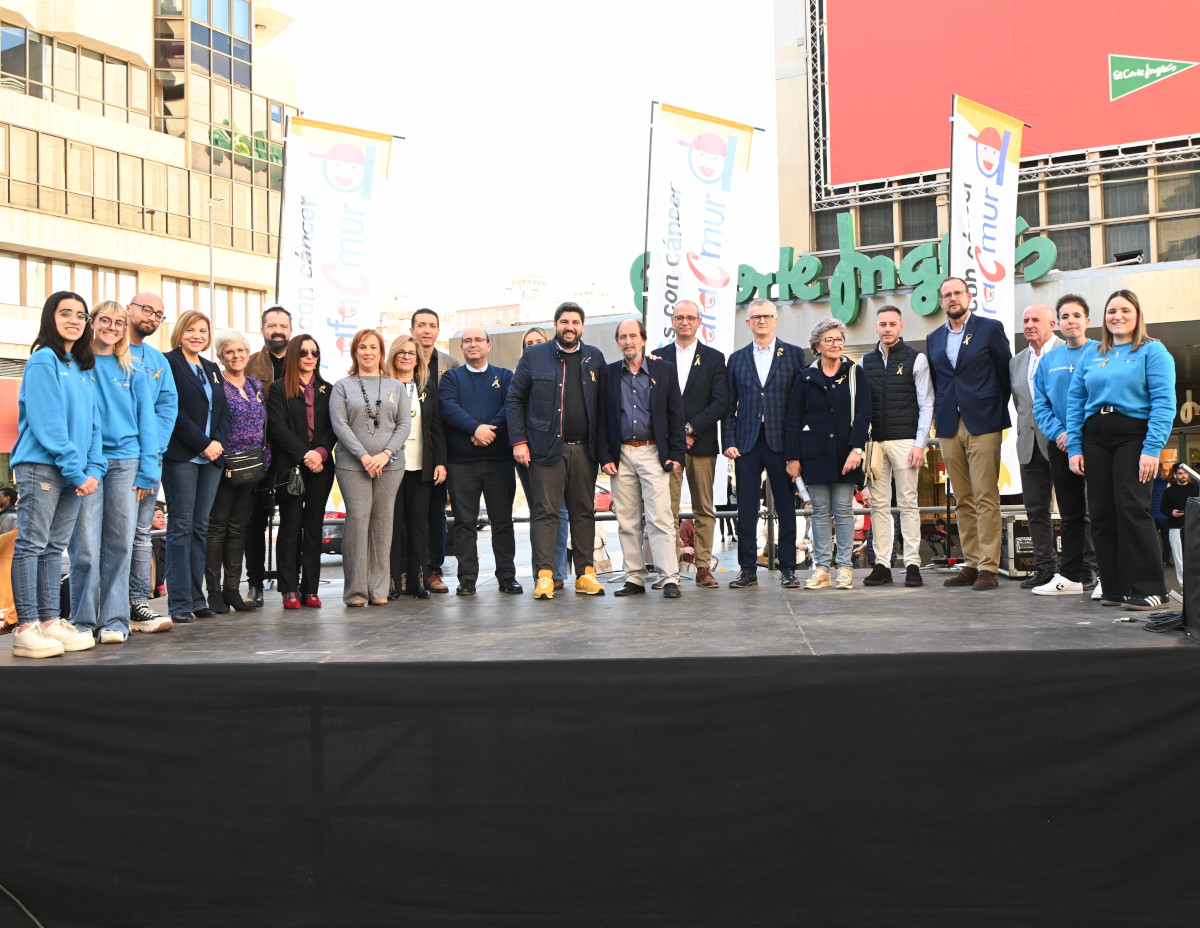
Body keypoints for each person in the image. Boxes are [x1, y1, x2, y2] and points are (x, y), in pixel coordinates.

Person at [9, 292, 104, 658]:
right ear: (51, 317)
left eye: (81, 315)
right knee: (32, 545)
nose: (74, 320)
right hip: (42, 467)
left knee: (53, 548)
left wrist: (93, 469)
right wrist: (77, 471)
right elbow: (47, 423)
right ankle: (26, 627)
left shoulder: (82, 368)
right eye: (66, 313)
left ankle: (49, 621)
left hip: (74, 473)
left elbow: (94, 426)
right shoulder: (43, 360)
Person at [1068, 289, 1176, 610]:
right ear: (1104, 318)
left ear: (1137, 315)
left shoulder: (1153, 351)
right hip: (1095, 436)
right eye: (1112, 311)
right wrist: (1075, 446)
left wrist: (1152, 448)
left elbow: (1164, 402)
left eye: (1125, 310)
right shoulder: (1092, 353)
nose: (1118, 316)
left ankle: (1151, 589)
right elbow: (1075, 401)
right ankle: (1114, 588)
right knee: (1101, 513)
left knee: (1132, 509)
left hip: (1134, 436)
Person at [68, 301, 158, 644]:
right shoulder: (76, 364)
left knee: (120, 544)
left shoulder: (132, 368)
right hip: (86, 464)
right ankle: (82, 621)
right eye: (105, 320)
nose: (112, 327)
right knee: (85, 546)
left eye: (119, 322)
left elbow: (147, 421)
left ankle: (115, 621)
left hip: (126, 463)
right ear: (92, 322)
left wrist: (148, 470)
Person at [507, 302, 608, 599]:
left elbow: (605, 402)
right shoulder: (534, 356)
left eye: (575, 322)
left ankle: (585, 575)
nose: (570, 327)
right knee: (545, 513)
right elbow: (514, 400)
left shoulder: (595, 357)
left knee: (583, 513)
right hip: (545, 449)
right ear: (555, 325)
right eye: (564, 322)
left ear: (582, 327)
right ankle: (545, 577)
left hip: (585, 451)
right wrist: (519, 441)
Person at [925, 277, 1012, 591]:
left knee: (986, 496)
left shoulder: (990, 328)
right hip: (949, 425)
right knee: (962, 498)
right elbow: (938, 381)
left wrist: (991, 407)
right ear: (941, 301)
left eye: (957, 293)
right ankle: (972, 563)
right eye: (947, 295)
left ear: (969, 296)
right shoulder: (933, 338)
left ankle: (989, 566)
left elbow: (1005, 373)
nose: (952, 298)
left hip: (983, 422)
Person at [598, 318, 687, 598]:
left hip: (653, 452)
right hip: (621, 454)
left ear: (643, 339)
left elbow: (676, 414)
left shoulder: (664, 370)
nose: (628, 341)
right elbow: (601, 419)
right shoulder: (608, 373)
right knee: (627, 521)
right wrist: (604, 456)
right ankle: (634, 578)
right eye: (623, 337)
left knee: (661, 517)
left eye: (633, 336)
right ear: (618, 342)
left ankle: (669, 578)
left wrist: (677, 453)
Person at [723, 298, 807, 590]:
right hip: (746, 444)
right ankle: (747, 570)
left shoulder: (794, 355)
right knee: (746, 509)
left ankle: (788, 569)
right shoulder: (736, 359)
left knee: (786, 508)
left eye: (767, 316)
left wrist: (797, 451)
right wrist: (728, 441)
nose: (761, 321)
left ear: (776, 320)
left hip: (782, 443)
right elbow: (729, 405)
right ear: (748, 322)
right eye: (756, 317)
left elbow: (800, 405)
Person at [786, 319, 871, 590]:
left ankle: (845, 568)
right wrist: (793, 457)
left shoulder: (855, 372)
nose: (836, 344)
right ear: (817, 346)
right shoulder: (805, 376)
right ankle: (822, 569)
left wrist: (857, 449)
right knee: (820, 511)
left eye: (839, 339)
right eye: (829, 340)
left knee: (844, 511)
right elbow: (794, 418)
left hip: (847, 454)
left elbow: (864, 413)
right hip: (814, 454)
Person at [439, 328, 521, 596]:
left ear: (489, 345)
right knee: (464, 523)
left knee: (502, 522)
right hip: (462, 464)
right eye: (467, 341)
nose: (473, 345)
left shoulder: (505, 376)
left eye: (478, 340)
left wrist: (487, 431)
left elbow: (511, 406)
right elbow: (449, 408)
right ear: (462, 347)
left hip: (499, 462)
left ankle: (507, 576)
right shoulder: (451, 378)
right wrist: (475, 428)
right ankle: (467, 579)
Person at [330, 329, 409, 606]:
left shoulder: (396, 387)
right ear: (355, 351)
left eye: (373, 347)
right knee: (358, 521)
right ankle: (355, 592)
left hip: (390, 465)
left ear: (381, 352)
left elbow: (404, 425)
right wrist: (364, 456)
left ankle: (378, 590)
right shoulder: (342, 386)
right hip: (353, 465)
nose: (368, 352)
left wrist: (386, 454)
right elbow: (339, 425)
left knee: (383, 523)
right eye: (362, 347)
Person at [656, 299, 729, 589]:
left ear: (699, 322)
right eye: (679, 317)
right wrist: (676, 433)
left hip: (702, 444)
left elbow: (720, 402)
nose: (684, 322)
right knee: (667, 511)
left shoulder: (714, 358)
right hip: (669, 447)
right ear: (672, 321)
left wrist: (689, 428)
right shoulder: (658, 357)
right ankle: (670, 571)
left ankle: (703, 568)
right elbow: (654, 404)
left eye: (690, 317)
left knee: (704, 509)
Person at [1031, 294, 1101, 596]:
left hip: (1096, 442)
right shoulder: (1048, 361)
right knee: (1070, 514)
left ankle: (1103, 573)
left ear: (1087, 320)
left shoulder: (1102, 352)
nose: (1071, 321)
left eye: (1076, 315)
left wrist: (1079, 434)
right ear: (1057, 323)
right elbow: (1040, 405)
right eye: (1065, 316)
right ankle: (1072, 576)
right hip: (1060, 445)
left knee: (1101, 510)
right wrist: (1061, 433)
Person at [163, 310, 229, 624]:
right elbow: (172, 410)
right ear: (180, 332)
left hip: (211, 459)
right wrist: (202, 443)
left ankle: (196, 598)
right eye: (191, 330)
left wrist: (216, 443)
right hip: (182, 456)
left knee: (200, 528)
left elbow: (223, 411)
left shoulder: (211, 368)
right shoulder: (168, 363)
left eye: (203, 330)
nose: (197, 336)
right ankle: (179, 602)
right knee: (181, 528)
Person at [860, 305, 933, 587]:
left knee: (908, 504)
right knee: (878, 506)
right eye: (883, 324)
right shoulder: (865, 361)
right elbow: (861, 407)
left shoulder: (916, 358)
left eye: (892, 324)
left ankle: (913, 564)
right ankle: (882, 564)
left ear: (901, 326)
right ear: (876, 327)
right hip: (875, 444)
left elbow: (926, 404)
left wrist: (920, 444)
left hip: (905, 441)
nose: (887, 329)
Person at [267, 334, 337, 609]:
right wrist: (306, 455)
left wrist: (320, 452)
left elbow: (333, 427)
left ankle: (310, 589)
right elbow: (278, 428)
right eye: (304, 352)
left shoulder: (328, 389)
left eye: (314, 353)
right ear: (294, 355)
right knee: (290, 526)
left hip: (321, 466)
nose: (309, 357)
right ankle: (288, 589)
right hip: (291, 466)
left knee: (314, 526)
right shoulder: (278, 388)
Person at [204, 330, 269, 614]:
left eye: (241, 350)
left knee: (238, 528)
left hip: (252, 467)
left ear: (248, 353)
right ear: (220, 357)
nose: (236, 356)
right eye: (230, 351)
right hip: (224, 465)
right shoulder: (216, 384)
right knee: (217, 528)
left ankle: (232, 589)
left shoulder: (256, 385)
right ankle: (214, 592)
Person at [125, 292, 179, 633]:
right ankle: (106, 607)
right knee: (109, 535)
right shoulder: (105, 352)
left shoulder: (157, 360)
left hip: (149, 459)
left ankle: (137, 602)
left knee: (141, 534)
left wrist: (154, 448)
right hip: (112, 458)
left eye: (159, 314)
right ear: (128, 309)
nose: (152, 317)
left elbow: (167, 406)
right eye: (146, 310)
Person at [1009, 303, 1065, 591]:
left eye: (1036, 320)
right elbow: (1021, 405)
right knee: (1035, 510)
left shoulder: (1069, 352)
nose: (1029, 325)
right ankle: (1045, 567)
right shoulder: (1016, 361)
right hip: (1028, 445)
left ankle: (1084, 568)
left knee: (1076, 510)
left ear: (1052, 324)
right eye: (1026, 320)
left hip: (1062, 443)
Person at [387, 334, 447, 598]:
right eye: (401, 352)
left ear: (418, 359)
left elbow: (436, 428)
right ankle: (393, 580)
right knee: (393, 525)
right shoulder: (385, 386)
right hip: (391, 466)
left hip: (421, 465)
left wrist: (441, 462)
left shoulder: (426, 387)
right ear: (393, 356)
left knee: (418, 525)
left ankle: (418, 580)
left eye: (411, 353)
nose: (406, 357)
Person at [408, 308, 461, 593]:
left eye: (432, 325)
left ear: (438, 331)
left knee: (436, 511)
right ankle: (406, 570)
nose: (427, 330)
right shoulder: (401, 358)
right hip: (406, 447)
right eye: (421, 325)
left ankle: (433, 570)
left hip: (440, 447)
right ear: (412, 330)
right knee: (405, 513)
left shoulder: (451, 364)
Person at [244, 305, 293, 606]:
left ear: (290, 330)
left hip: (290, 455)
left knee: (292, 521)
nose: (277, 331)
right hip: (259, 455)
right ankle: (255, 584)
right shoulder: (249, 363)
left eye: (283, 326)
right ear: (262, 329)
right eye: (272, 325)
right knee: (254, 522)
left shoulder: (301, 362)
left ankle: (291, 584)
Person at [515, 326, 570, 589]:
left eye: (539, 341)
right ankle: (543, 572)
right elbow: (514, 408)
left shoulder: (561, 371)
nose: (534, 346)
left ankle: (556, 572)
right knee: (541, 511)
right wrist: (521, 444)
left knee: (561, 511)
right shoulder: (521, 373)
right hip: (529, 453)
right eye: (529, 343)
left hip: (559, 450)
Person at [1161, 463, 1198, 593]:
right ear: (1175, 474)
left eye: (1185, 473)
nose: (1183, 476)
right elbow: (1163, 509)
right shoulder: (1169, 491)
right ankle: (1184, 586)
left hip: (1193, 526)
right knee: (1178, 557)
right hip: (1175, 527)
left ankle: (1195, 585)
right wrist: (1172, 512)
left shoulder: (1196, 489)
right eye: (1180, 473)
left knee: (1194, 557)